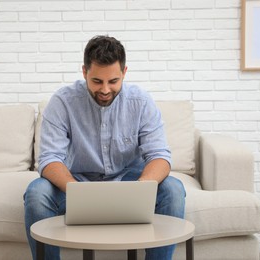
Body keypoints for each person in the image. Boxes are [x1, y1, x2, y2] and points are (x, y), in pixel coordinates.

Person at [24, 35, 185, 260]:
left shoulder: (141, 102)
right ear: (84, 72)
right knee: (36, 193)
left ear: (124, 73)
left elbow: (159, 155)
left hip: (129, 182)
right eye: (97, 81)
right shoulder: (62, 102)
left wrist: (141, 190)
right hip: (76, 182)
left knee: (174, 190)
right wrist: (79, 193)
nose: (106, 89)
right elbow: (50, 159)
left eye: (113, 81)